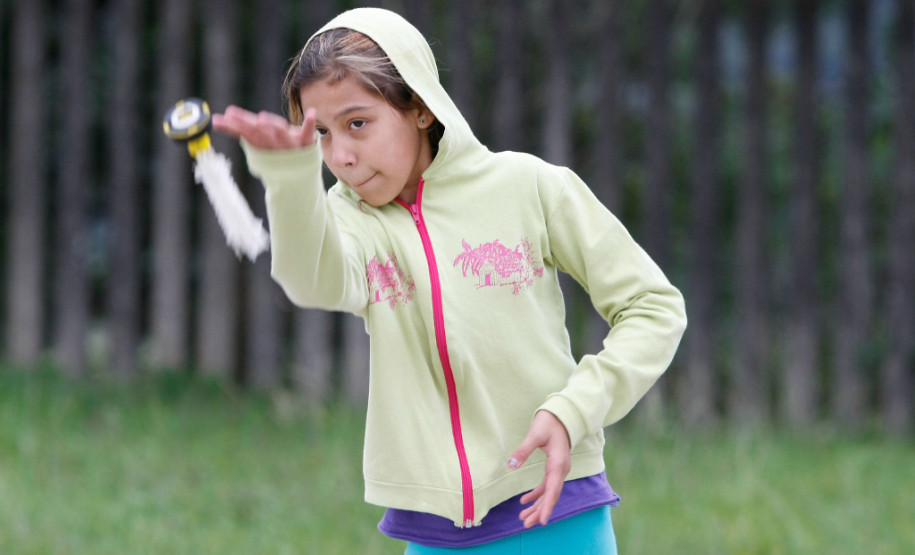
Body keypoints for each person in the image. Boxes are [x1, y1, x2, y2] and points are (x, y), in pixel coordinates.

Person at [213, 7, 686, 554]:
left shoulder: (531, 186)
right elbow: (312, 282)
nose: (339, 156)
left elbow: (654, 307)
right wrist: (289, 178)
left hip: (558, 508)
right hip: (434, 532)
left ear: (417, 105)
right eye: (321, 133)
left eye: (357, 123)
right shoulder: (352, 219)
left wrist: (574, 408)